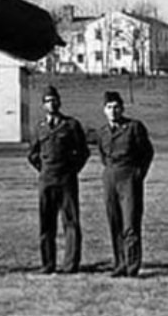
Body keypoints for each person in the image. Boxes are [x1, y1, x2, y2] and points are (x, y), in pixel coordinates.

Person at [27, 85, 90, 274]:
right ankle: (48, 264)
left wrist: (72, 169)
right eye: (47, 101)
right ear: (43, 105)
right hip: (46, 179)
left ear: (59, 102)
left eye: (54, 100)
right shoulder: (39, 127)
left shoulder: (71, 125)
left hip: (67, 179)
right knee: (47, 223)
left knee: (71, 222)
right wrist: (44, 168)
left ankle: (71, 264)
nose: (51, 104)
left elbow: (83, 152)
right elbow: (32, 154)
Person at [97, 89, 154, 278]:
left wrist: (138, 174)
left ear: (122, 108)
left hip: (129, 177)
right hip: (110, 177)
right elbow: (103, 156)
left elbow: (147, 153)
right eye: (109, 107)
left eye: (116, 107)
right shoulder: (103, 132)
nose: (113, 111)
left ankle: (132, 265)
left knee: (130, 223)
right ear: (104, 110)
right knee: (115, 222)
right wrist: (110, 172)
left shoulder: (134, 127)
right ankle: (119, 263)